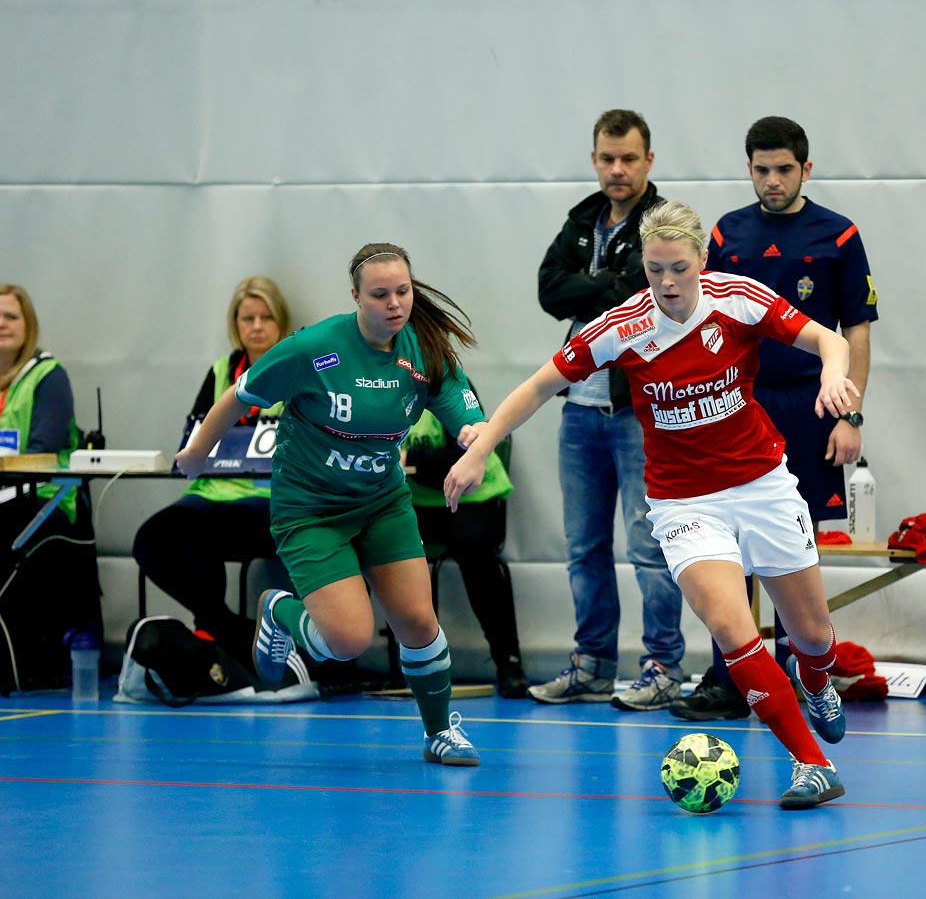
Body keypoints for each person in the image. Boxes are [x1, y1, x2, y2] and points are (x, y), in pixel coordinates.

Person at [449, 200, 854, 808]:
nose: (667, 284)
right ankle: (812, 764)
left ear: (702, 261)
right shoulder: (622, 327)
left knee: (812, 634)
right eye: (655, 269)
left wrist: (832, 377)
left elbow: (829, 338)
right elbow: (539, 385)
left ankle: (816, 679)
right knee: (728, 626)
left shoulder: (737, 297)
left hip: (761, 483)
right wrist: (482, 445)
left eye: (679, 269)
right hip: (682, 500)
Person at [176, 244, 486, 765]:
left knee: (417, 621)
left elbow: (466, 412)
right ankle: (279, 612)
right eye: (380, 294)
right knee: (347, 640)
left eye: (403, 292)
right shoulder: (312, 349)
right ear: (356, 298)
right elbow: (238, 396)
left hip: (382, 503)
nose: (395, 304)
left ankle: (439, 733)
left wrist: (474, 441)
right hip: (310, 510)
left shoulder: (425, 348)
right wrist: (196, 453)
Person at [675, 115, 878, 723]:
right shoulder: (726, 233)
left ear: (806, 169)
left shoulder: (838, 236)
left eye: (784, 169)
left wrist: (852, 412)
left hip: (809, 407)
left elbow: (856, 333)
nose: (772, 180)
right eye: (761, 169)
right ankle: (728, 679)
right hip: (734, 406)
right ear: (749, 170)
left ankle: (800, 676)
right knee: (725, 544)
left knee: (793, 545)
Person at [533, 108, 685, 710]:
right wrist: (607, 284)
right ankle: (592, 663)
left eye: (628, 158)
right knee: (583, 546)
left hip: (637, 410)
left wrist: (591, 285)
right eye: (606, 158)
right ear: (594, 159)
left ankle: (663, 666)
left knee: (650, 546)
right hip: (580, 408)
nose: (616, 169)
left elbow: (645, 293)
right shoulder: (582, 221)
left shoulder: (663, 222)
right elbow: (550, 289)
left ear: (649, 160)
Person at [133, 276, 311, 680]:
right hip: (209, 492)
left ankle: (224, 642)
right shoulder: (220, 372)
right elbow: (191, 440)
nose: (257, 326)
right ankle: (229, 632)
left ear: (281, 323)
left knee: (203, 534)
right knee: (153, 539)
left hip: (269, 498)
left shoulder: (301, 370)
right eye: (247, 318)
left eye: (267, 317)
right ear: (236, 325)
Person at [0, 283, 103, 693]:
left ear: (29, 325)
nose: (2, 325)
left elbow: (43, 450)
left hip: (41, 501)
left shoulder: (47, 375)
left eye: (11, 316)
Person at [402, 406, 527, 698]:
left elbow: (462, 457)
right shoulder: (367, 388)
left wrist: (407, 459)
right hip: (414, 503)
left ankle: (508, 661)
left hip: (472, 496)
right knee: (368, 540)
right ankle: (339, 668)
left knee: (475, 549)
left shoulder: (449, 389)